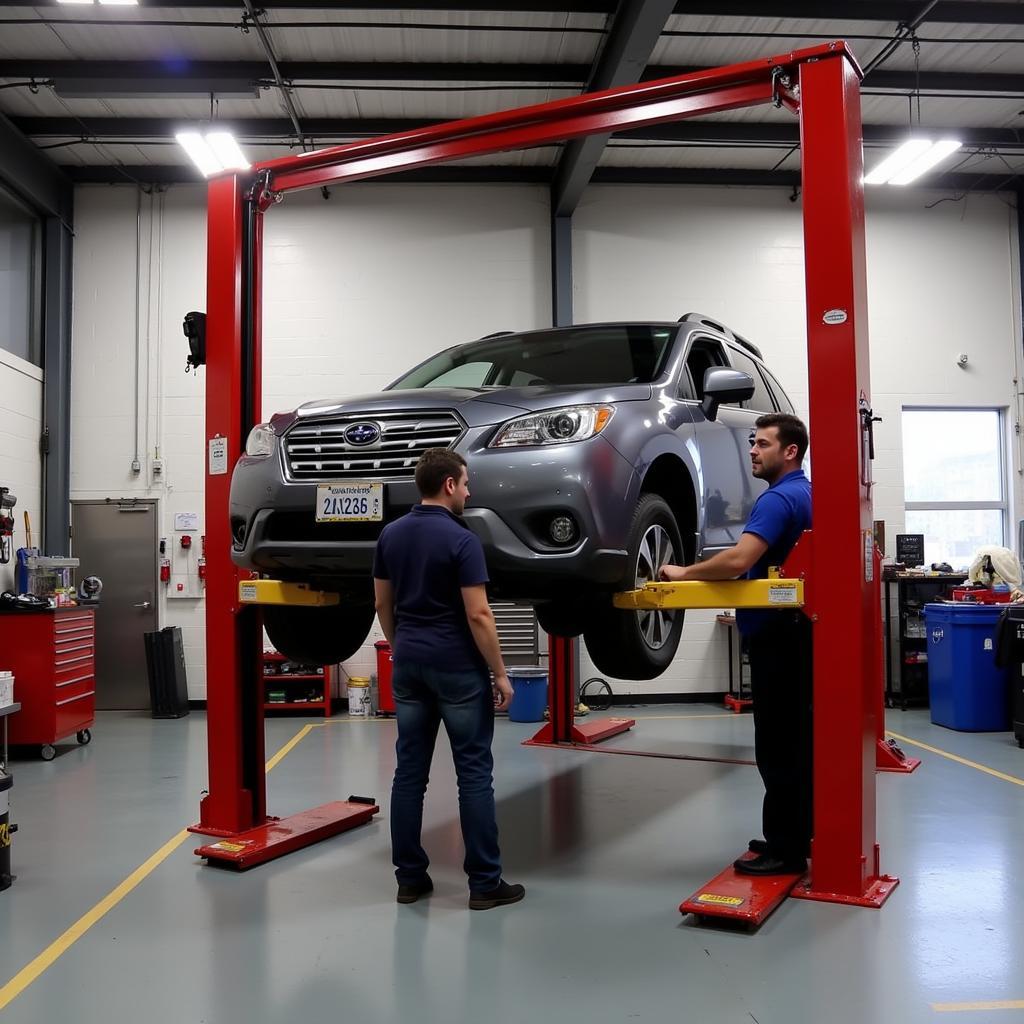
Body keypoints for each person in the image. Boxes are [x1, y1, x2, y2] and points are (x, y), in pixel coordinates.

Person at [373, 447, 526, 910]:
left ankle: (410, 879)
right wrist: (500, 673)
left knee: (409, 775)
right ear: (449, 485)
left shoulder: (391, 535)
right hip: (458, 669)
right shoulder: (462, 540)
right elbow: (479, 614)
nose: (469, 489)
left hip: (411, 664)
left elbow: (383, 604)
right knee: (474, 775)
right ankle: (484, 883)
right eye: (466, 482)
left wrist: (401, 647)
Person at [660, 413, 812, 875]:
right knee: (797, 742)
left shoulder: (778, 499)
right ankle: (794, 834)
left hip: (778, 639)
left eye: (762, 444)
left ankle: (784, 850)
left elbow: (740, 559)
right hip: (799, 635)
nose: (752, 451)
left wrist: (684, 573)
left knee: (777, 745)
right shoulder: (807, 493)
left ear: (790, 451)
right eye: (752, 443)